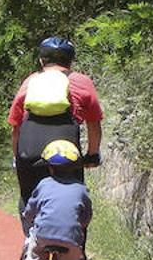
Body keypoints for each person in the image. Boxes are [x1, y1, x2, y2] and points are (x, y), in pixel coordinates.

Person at [8, 36, 103, 221]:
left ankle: (31, 242)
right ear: (70, 61)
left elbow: (16, 126)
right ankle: (76, 247)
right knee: (75, 202)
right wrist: (92, 155)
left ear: (42, 60)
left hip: (30, 149)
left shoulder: (30, 81)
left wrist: (17, 158)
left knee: (27, 200)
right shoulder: (81, 81)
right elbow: (94, 124)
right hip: (65, 151)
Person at [21, 140, 92, 260]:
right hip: (71, 239)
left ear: (49, 168)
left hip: (44, 236)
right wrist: (80, 225)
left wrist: (28, 218)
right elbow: (86, 215)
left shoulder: (44, 184)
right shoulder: (81, 189)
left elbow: (31, 210)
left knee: (33, 237)